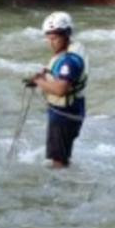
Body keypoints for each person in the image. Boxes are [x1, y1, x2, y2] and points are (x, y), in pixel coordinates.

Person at [31, 11, 88, 168]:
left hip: (64, 115)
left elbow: (60, 90)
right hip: (72, 110)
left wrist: (38, 81)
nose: (51, 43)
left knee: (58, 161)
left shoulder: (69, 61)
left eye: (55, 38)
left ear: (67, 34)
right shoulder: (69, 53)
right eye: (48, 38)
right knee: (63, 157)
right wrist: (45, 76)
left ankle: (59, 189)